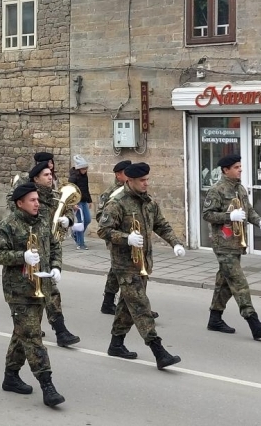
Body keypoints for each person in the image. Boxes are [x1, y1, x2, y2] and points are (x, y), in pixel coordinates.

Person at [97, 162, 185, 369]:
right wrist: (126, 238)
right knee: (140, 306)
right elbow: (103, 230)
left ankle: (116, 344)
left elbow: (161, 225)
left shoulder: (148, 202)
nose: (147, 183)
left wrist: (175, 243)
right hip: (125, 265)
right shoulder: (116, 203)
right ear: (130, 180)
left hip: (143, 263)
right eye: (142, 180)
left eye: (147, 179)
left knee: (127, 306)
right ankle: (159, 351)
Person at [0, 181, 65, 407]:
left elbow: (55, 246)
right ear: (19, 203)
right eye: (32, 200)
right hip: (19, 291)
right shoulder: (8, 225)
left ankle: (10, 376)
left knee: (22, 333)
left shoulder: (42, 221)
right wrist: (21, 256)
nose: (37, 203)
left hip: (41, 287)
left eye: (37, 199)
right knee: (33, 336)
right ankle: (47, 384)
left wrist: (56, 266)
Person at [202, 154, 261, 339]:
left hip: (236, 243)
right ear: (226, 170)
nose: (240, 169)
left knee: (225, 283)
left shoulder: (240, 188)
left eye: (240, 166)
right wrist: (229, 217)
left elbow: (248, 210)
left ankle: (215, 318)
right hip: (223, 244)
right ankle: (254, 323)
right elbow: (208, 215)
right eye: (236, 167)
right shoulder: (217, 190)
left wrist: (259, 221)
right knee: (238, 282)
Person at [28, 161, 81, 347]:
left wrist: (68, 219)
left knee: (49, 293)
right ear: (36, 178)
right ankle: (43, 330)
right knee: (37, 295)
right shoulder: (28, 197)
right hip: (32, 254)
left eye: (51, 174)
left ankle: (59, 332)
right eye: (46, 175)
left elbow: (69, 210)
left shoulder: (56, 196)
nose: (50, 177)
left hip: (50, 249)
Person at [98, 160, 131, 314]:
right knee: (125, 271)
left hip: (131, 237)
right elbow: (100, 217)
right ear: (118, 175)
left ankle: (108, 302)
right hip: (116, 237)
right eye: (127, 172)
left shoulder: (131, 189)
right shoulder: (110, 193)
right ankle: (136, 307)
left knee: (117, 270)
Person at [68, 155, 91, 250]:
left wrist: (89, 200)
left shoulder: (84, 176)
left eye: (86, 168)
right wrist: (73, 204)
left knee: (88, 220)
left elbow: (86, 188)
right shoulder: (73, 177)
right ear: (79, 168)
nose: (85, 170)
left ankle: (75, 234)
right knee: (81, 222)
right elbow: (70, 191)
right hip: (77, 202)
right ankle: (80, 243)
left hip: (84, 200)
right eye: (83, 168)